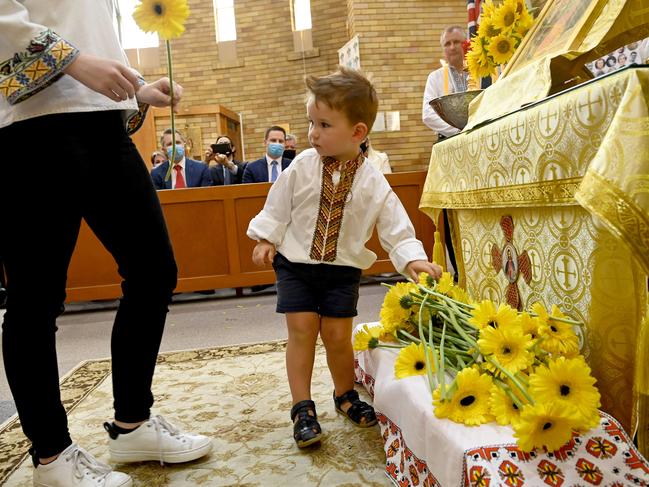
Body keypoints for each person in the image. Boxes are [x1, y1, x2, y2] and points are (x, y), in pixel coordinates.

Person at [0, 2, 212, 486]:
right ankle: (52, 458)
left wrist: (136, 86)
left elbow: (83, 26)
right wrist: (74, 62)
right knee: (36, 297)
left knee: (154, 270)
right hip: (33, 123)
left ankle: (132, 423)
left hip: (103, 121)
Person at [247, 67, 442, 449]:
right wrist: (266, 237)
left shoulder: (373, 181)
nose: (312, 133)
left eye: (323, 124)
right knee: (302, 329)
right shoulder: (301, 165)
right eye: (310, 123)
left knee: (337, 336)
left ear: (357, 132)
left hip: (342, 270)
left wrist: (412, 259)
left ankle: (344, 395)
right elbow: (278, 206)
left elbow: (395, 227)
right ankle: (302, 407)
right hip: (295, 265)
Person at [422, 25, 468, 139]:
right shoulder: (435, 77)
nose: (452, 47)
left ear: (466, 43)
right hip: (450, 140)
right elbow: (428, 114)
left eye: (456, 42)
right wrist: (457, 131)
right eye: (447, 44)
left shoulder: (480, 72)